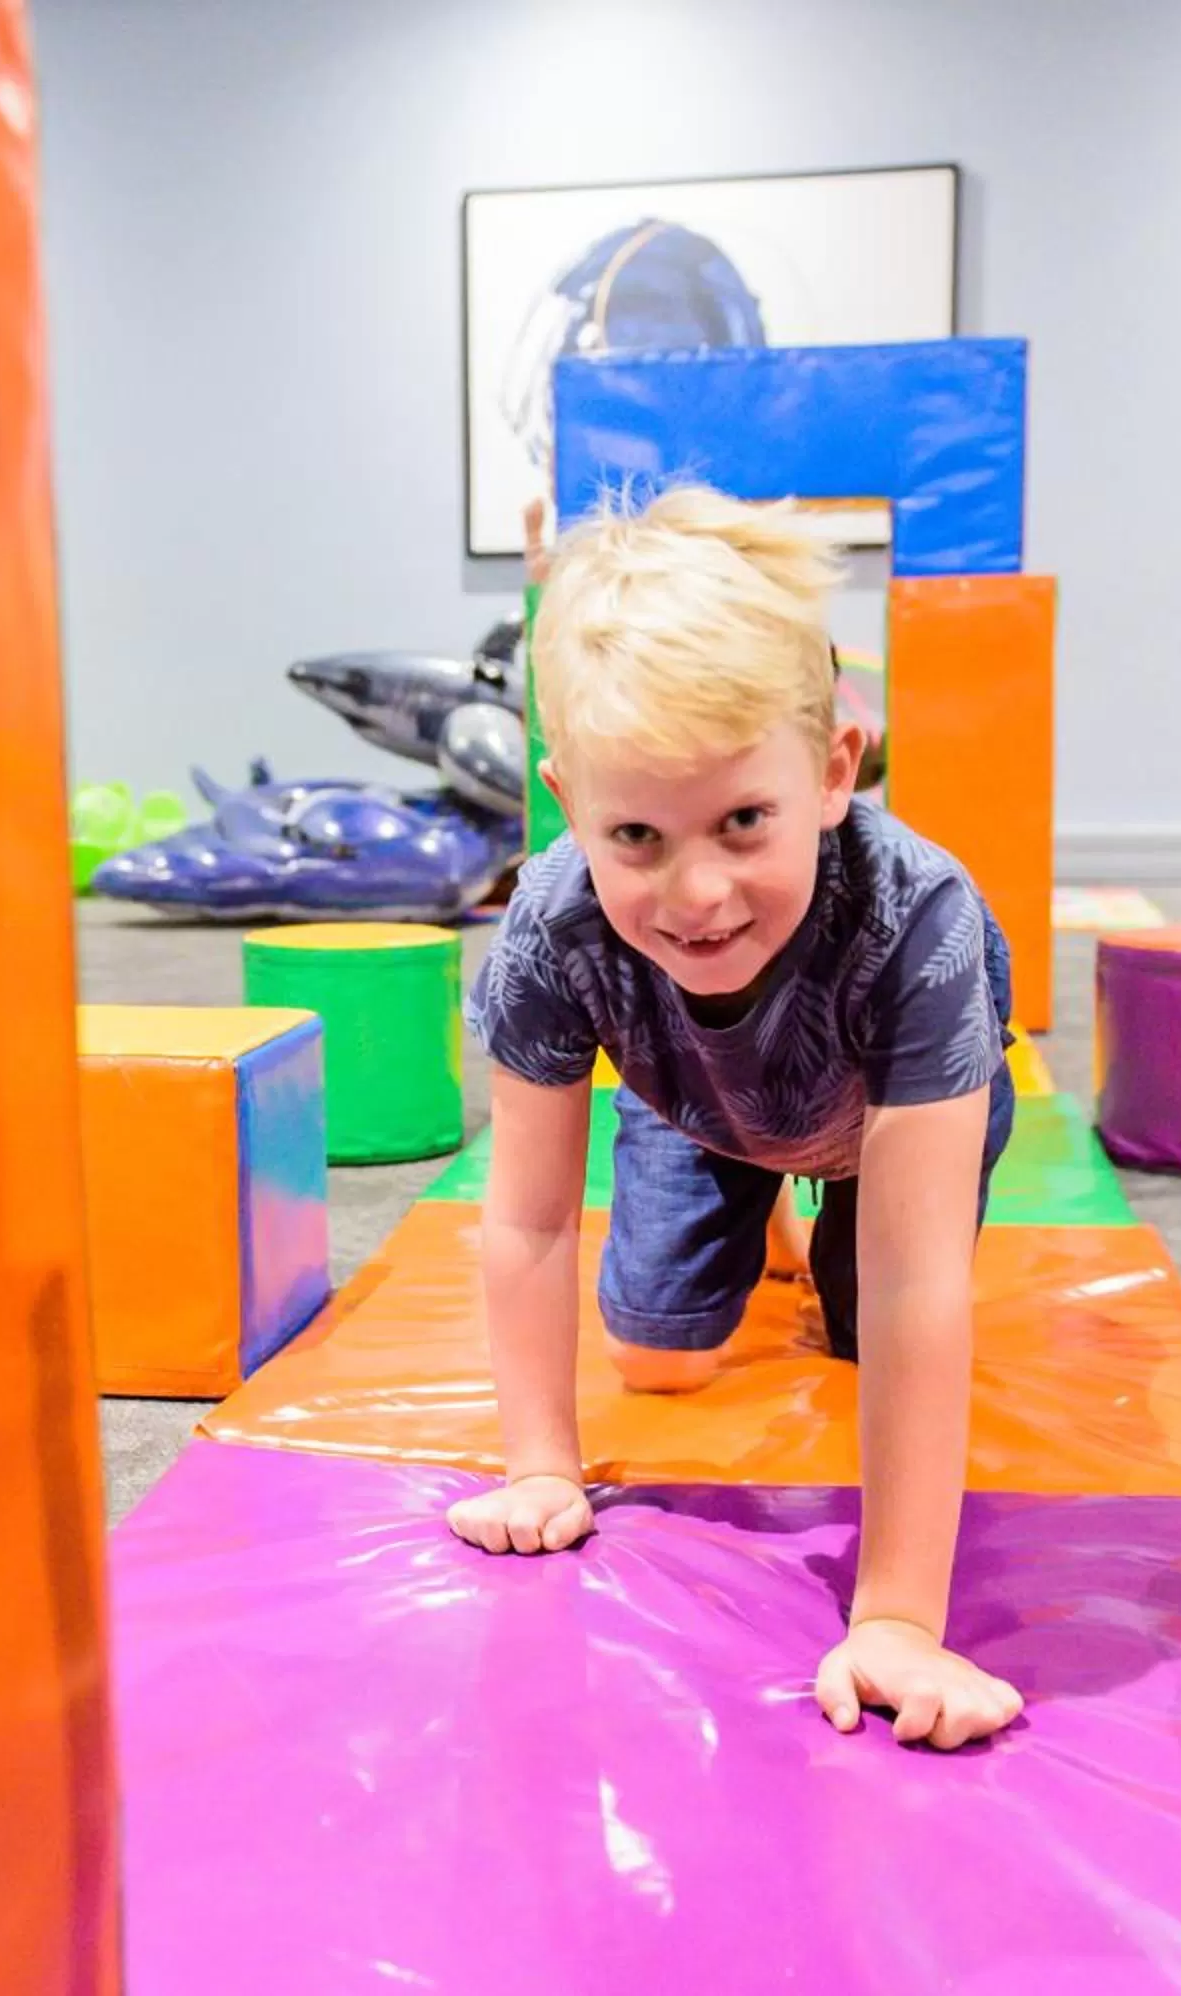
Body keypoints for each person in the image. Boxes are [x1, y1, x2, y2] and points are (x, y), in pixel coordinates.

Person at [452, 484, 1024, 1750]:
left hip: (886, 1114)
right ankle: (750, 1194)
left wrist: (898, 1618)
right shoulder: (554, 926)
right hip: (700, 1102)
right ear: (566, 800)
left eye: (743, 822)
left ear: (833, 770)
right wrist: (542, 1462)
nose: (694, 890)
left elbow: (927, 1281)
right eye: (636, 834)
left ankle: (808, 1221)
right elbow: (532, 1223)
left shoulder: (914, 923)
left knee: (873, 1330)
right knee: (655, 1350)